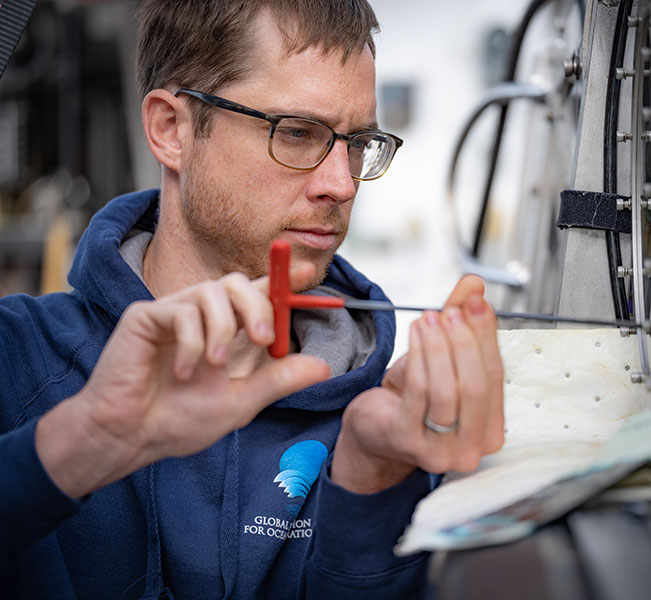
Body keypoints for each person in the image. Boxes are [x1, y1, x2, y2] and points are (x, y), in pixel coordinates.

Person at [0, 1, 504, 598]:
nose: (341, 184)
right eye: (296, 133)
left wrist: (370, 484)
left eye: (359, 142)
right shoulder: (16, 365)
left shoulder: (386, 423)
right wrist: (91, 440)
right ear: (172, 130)